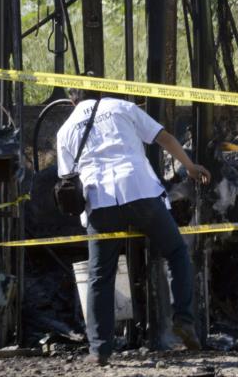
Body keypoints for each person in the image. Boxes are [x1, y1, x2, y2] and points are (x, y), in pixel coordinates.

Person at [57, 87, 212, 366]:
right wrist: (189, 165)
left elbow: (68, 181)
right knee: (176, 252)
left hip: (100, 201)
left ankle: (99, 350)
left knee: (99, 275)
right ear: (101, 93)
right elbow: (162, 137)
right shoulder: (121, 107)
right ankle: (184, 320)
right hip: (139, 191)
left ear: (72, 100)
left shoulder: (65, 129)